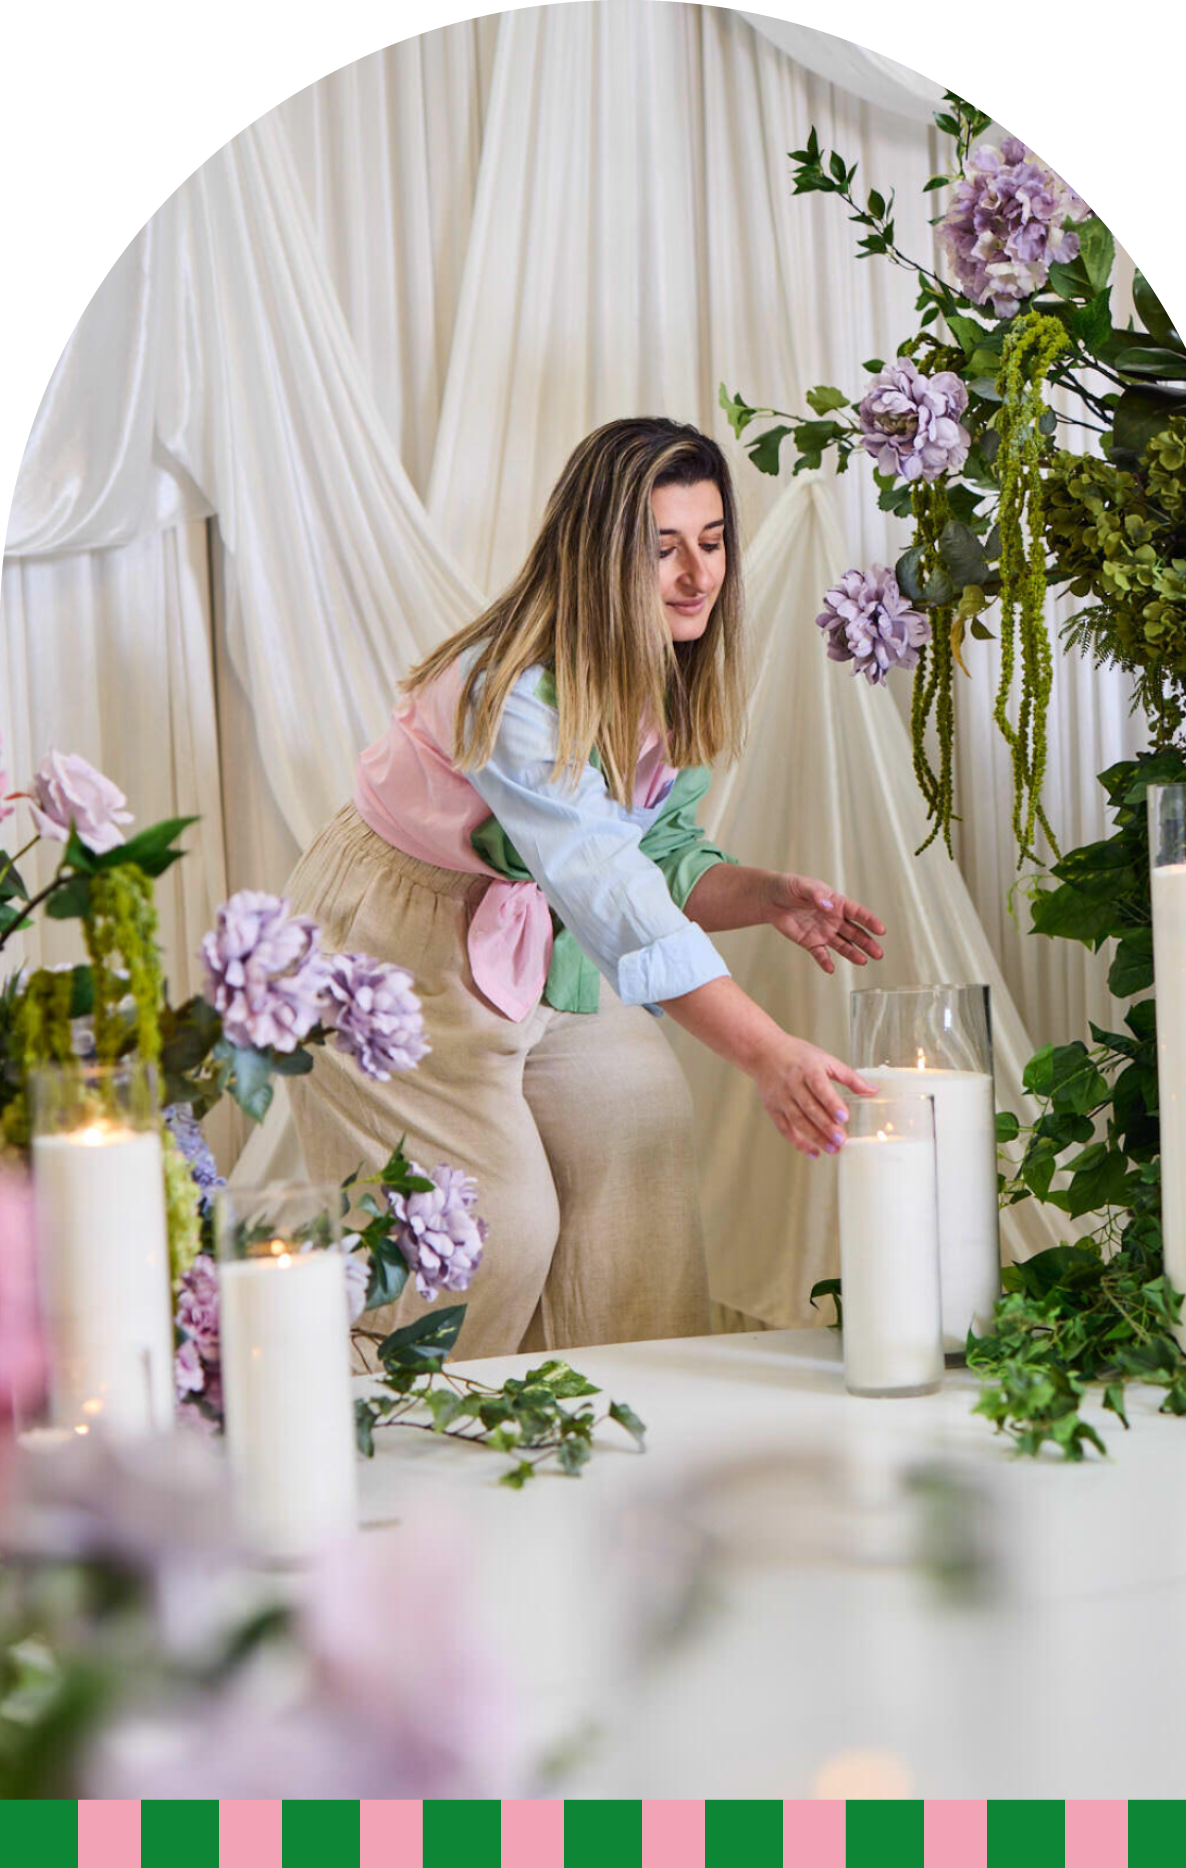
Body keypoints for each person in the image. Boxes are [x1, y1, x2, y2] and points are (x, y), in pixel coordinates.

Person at [284, 418, 885, 1359]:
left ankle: (624, 1412)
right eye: (663, 549)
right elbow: (605, 883)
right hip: (394, 941)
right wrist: (768, 1052)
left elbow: (656, 848)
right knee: (490, 1227)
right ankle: (402, 1415)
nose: (697, 574)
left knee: (640, 1132)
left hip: (544, 934)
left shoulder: (662, 665)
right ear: (601, 556)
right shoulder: (509, 690)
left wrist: (764, 894)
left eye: (713, 541)